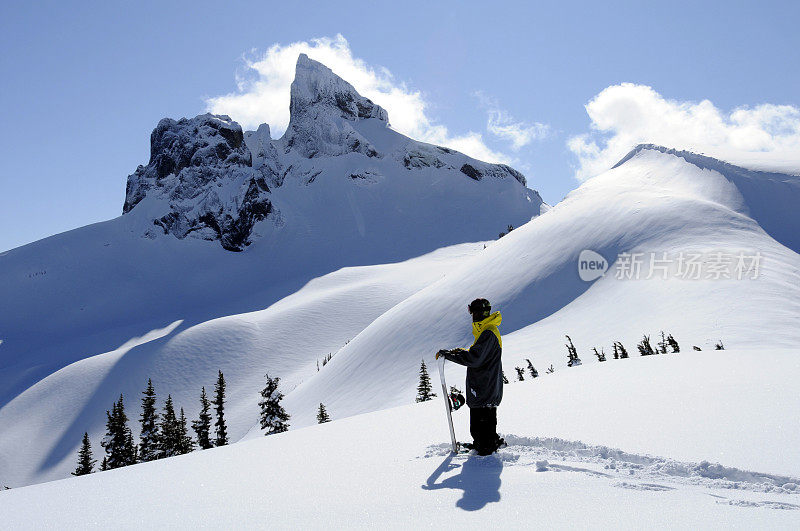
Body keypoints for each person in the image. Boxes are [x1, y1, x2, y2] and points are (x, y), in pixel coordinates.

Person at [436, 298, 504, 456]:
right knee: (482, 426)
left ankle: (485, 449)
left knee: (481, 427)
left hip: (484, 387)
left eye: (472, 312)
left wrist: (452, 355)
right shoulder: (487, 330)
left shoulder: (488, 333)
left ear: (478, 312)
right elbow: (477, 354)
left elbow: (474, 358)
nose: (471, 315)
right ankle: (486, 443)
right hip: (485, 386)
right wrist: (456, 352)